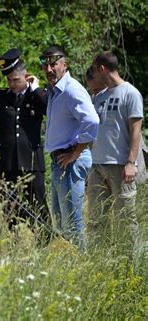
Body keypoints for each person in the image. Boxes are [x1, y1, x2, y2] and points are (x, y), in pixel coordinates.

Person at [0, 48, 51, 242]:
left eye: (16, 80)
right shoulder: (2, 96)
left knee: (38, 204)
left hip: (31, 161)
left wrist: (36, 89)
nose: (12, 84)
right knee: (9, 206)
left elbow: (50, 109)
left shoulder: (36, 96)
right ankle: (14, 244)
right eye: (9, 80)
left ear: (26, 76)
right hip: (6, 162)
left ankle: (45, 242)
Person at [41, 45, 99, 250]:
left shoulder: (71, 90)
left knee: (72, 222)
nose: (48, 69)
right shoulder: (55, 90)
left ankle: (81, 264)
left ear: (65, 65)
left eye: (53, 64)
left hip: (71, 161)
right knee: (61, 219)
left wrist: (76, 152)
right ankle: (71, 263)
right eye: (45, 65)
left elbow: (92, 121)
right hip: (60, 161)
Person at [87, 51, 143, 252]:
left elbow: (136, 130)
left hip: (120, 166)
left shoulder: (130, 93)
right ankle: (100, 260)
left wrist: (130, 162)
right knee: (96, 219)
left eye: (94, 70)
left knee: (125, 220)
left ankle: (129, 266)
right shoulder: (100, 97)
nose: (93, 74)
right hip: (97, 166)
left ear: (102, 69)